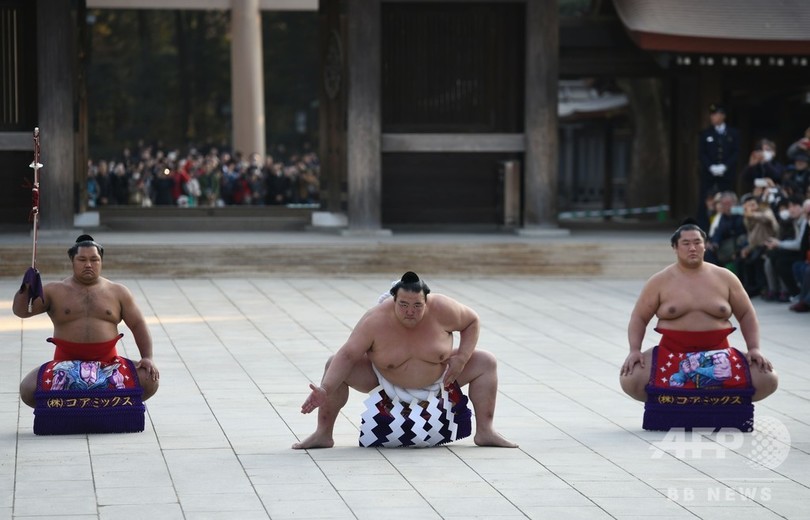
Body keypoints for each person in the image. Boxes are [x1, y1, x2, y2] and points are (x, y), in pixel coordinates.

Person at [292, 272, 517, 449]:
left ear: (426, 301)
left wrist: (462, 358)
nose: (410, 311)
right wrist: (325, 388)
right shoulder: (375, 320)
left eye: (417, 305)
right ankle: (323, 434)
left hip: (441, 377)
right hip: (382, 379)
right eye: (404, 305)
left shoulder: (442, 308)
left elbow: (472, 322)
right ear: (394, 300)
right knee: (334, 364)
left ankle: (485, 431)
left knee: (486, 361)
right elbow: (348, 354)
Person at [620, 223, 778, 403]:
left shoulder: (725, 277)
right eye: (686, 243)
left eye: (697, 242)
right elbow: (639, 318)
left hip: (719, 356)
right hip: (672, 353)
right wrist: (634, 350)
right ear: (675, 248)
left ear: (705, 245)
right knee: (631, 378)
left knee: (767, 378)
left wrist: (754, 348)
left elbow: (747, 314)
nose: (692, 248)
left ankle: (714, 403)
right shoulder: (659, 281)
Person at [13, 235, 159, 408]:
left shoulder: (118, 292)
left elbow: (138, 324)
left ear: (101, 261)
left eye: (94, 260)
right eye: (82, 259)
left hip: (109, 364)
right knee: (28, 389)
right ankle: (95, 404)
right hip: (64, 365)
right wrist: (27, 287)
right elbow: (22, 311)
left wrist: (147, 357)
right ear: (72, 261)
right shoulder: (54, 290)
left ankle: (90, 405)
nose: (88, 264)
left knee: (149, 378)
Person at [698, 103, 740, 230]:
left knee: (727, 198)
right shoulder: (705, 134)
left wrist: (725, 166)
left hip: (726, 174)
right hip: (709, 174)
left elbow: (735, 152)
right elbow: (702, 153)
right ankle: (703, 228)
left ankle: (728, 227)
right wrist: (710, 166)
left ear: (723, 116)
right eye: (712, 114)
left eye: (716, 114)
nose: (713, 117)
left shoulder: (733, 133)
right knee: (706, 201)